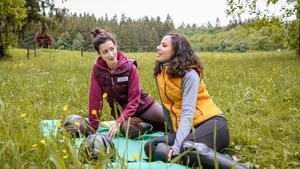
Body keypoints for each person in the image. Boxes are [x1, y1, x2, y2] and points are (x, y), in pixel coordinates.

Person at [144, 33, 230, 163]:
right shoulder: (160, 73)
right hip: (187, 131)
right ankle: (191, 158)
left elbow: (187, 113)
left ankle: (236, 165)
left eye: (164, 45)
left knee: (186, 148)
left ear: (176, 50)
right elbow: (165, 107)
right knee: (150, 147)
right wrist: (172, 133)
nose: (158, 47)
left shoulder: (190, 74)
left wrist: (176, 147)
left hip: (212, 125)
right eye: (160, 44)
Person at [88, 28, 164, 139]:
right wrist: (93, 128)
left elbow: (134, 99)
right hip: (123, 113)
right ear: (99, 54)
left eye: (112, 49)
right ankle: (149, 126)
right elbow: (95, 100)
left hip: (143, 106)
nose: (111, 54)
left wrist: (118, 121)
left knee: (172, 122)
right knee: (128, 130)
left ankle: (150, 123)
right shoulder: (97, 71)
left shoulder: (130, 67)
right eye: (105, 52)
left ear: (116, 46)